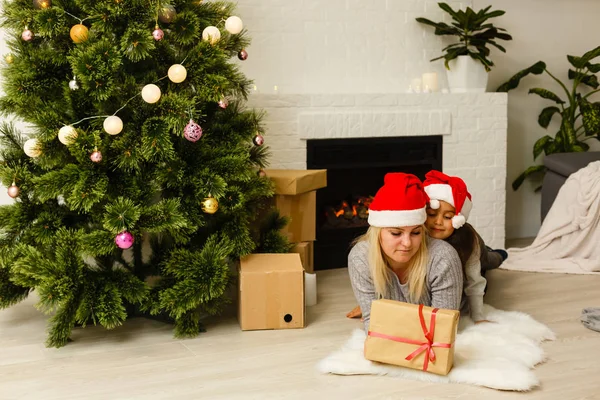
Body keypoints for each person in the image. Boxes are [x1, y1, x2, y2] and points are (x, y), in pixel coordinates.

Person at [348, 172, 465, 332]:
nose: (407, 243)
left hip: (467, 278)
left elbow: (443, 328)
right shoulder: (360, 257)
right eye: (396, 233)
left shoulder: (444, 257)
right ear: (377, 233)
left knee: (486, 261)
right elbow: (374, 326)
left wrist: (390, 315)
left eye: (416, 233)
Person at [422, 170, 507, 323]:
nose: (438, 222)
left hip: (475, 250)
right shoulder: (415, 235)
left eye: (448, 217)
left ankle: (500, 254)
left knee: (490, 260)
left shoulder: (468, 240)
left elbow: (475, 281)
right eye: (432, 214)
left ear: (458, 219)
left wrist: (478, 317)